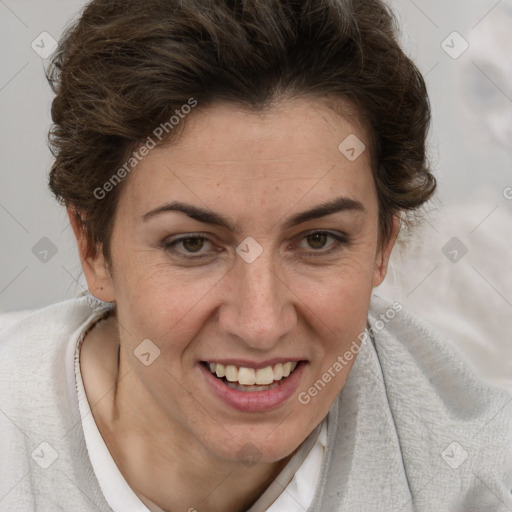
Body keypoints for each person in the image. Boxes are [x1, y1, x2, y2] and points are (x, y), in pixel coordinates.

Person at [1, 0, 511, 510]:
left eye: (318, 240)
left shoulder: (480, 480)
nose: (260, 324)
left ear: (383, 246)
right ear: (93, 249)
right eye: (193, 244)